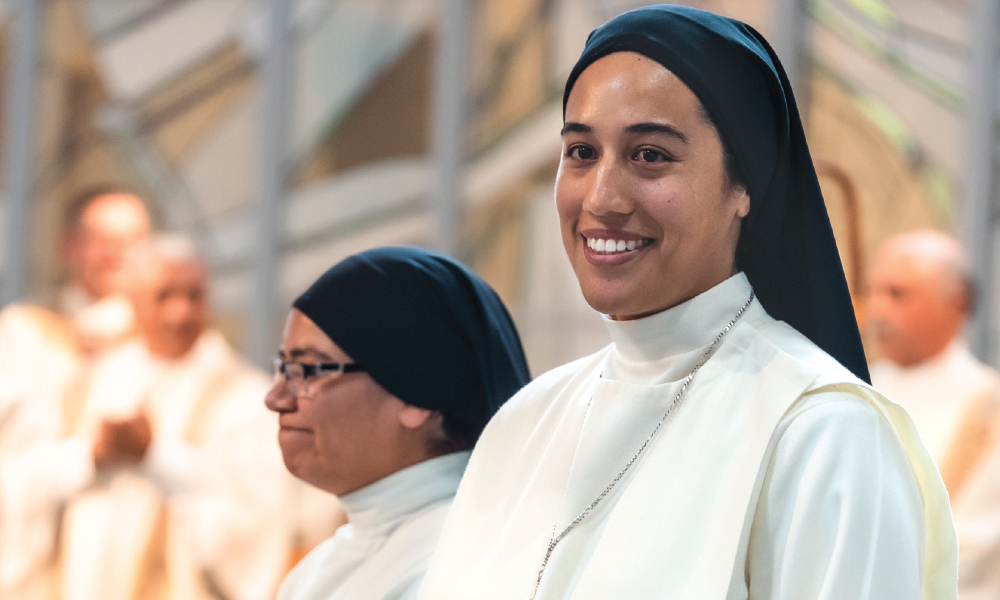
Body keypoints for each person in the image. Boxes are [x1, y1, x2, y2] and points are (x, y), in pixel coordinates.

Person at [416, 6, 956, 600]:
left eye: (650, 154)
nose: (601, 198)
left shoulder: (822, 433)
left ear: (745, 183)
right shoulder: (524, 423)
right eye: (581, 152)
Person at [265, 246, 530, 600]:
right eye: (283, 368)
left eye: (308, 371)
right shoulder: (317, 570)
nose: (276, 399)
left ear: (415, 395)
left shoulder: (462, 567)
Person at [56, 234, 293, 600]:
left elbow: (255, 515)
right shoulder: (92, 381)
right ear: (133, 301)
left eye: (194, 296)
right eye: (164, 295)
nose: (180, 312)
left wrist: (154, 455)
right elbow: (29, 485)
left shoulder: (245, 396)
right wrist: (92, 455)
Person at [0, 187, 151, 600]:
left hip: (130, 561)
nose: (116, 255)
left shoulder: (165, 344)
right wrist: (90, 454)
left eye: (132, 243)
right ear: (67, 244)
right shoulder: (21, 334)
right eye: (102, 241)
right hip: (36, 562)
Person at [869, 229, 1000, 600]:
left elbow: (970, 548)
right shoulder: (851, 387)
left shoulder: (988, 411)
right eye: (873, 291)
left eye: (897, 294)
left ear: (956, 304)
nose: (877, 309)